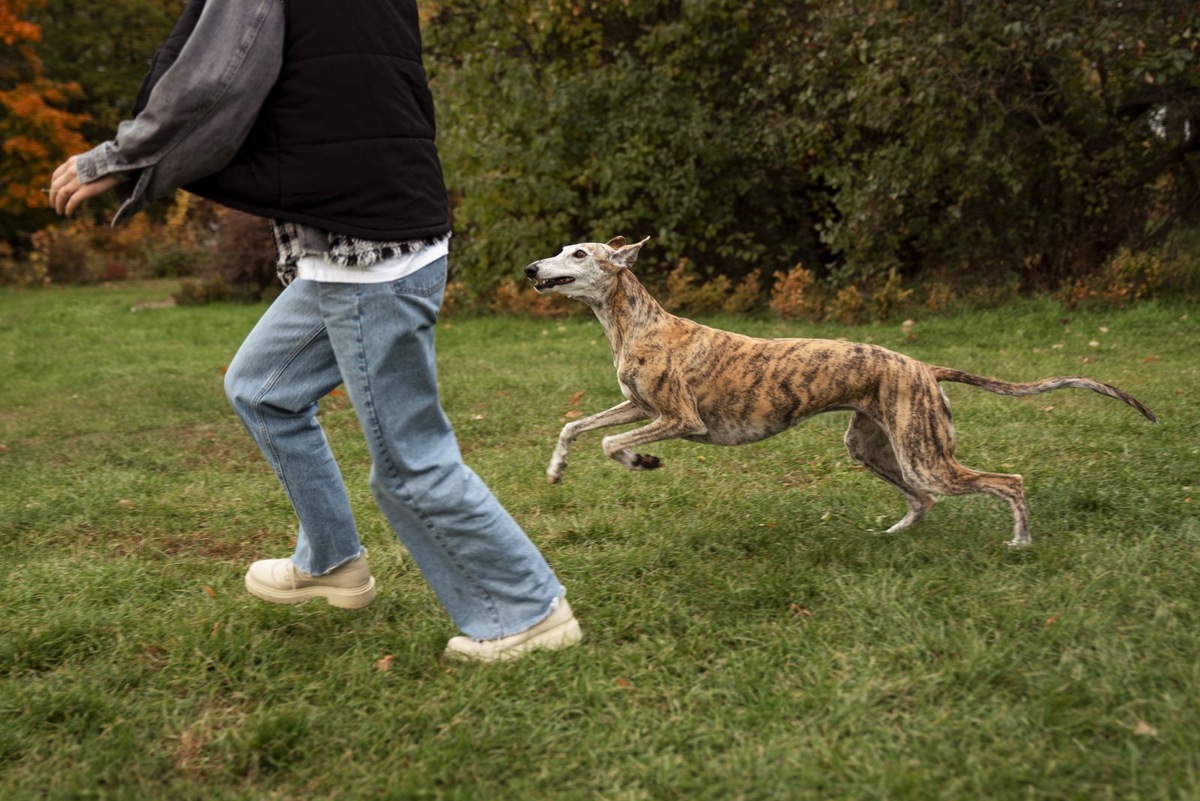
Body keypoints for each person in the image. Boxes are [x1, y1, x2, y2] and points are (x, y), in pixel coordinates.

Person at [48, 0, 581, 662]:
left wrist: (118, 158)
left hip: (367, 255)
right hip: (374, 237)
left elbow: (216, 77)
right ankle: (332, 561)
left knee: (408, 459)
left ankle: (528, 610)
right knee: (263, 386)